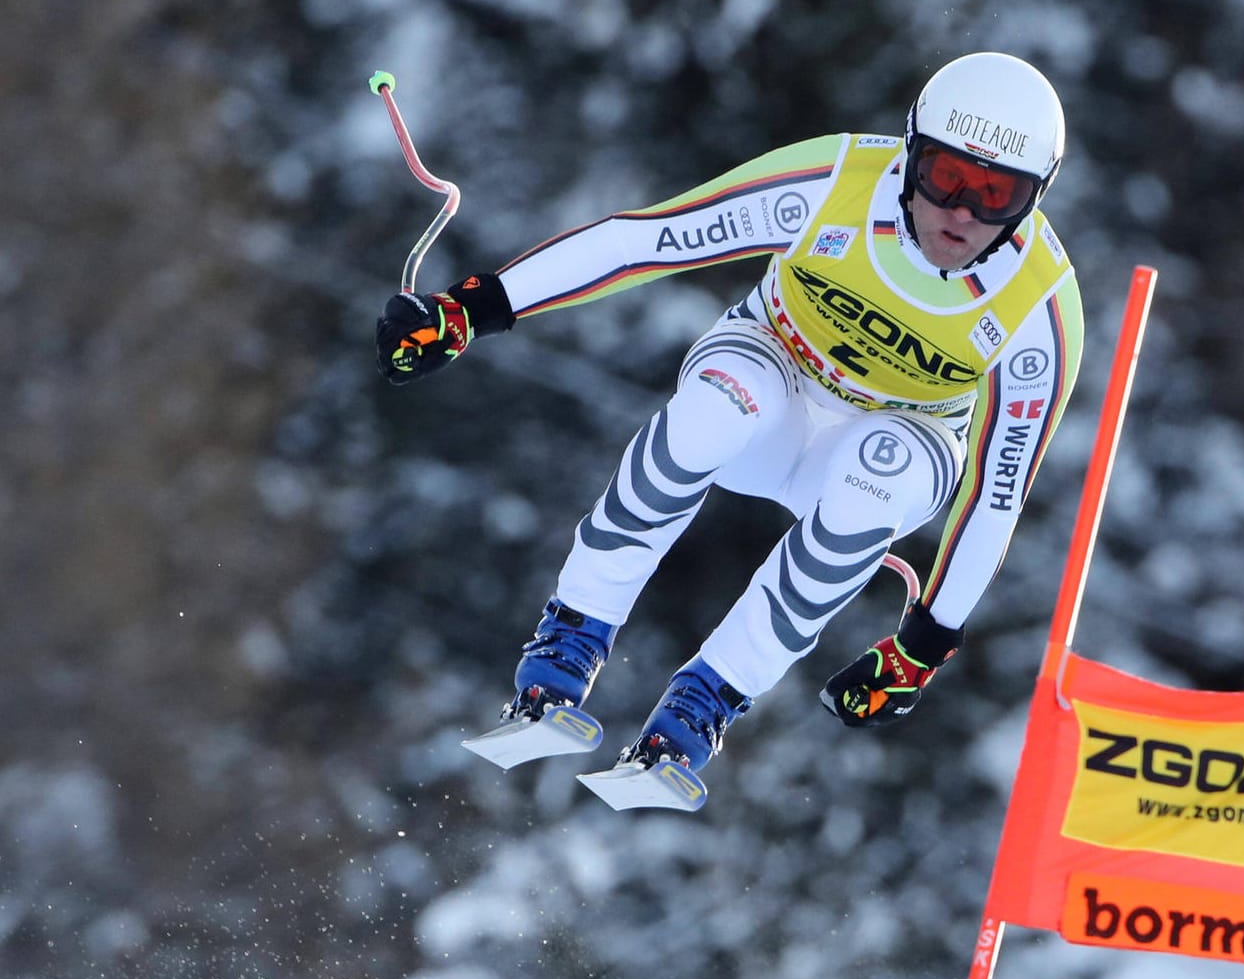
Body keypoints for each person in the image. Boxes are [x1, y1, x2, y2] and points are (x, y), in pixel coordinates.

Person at [375, 51, 1084, 782]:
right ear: (910, 152)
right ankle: (569, 641)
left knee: (875, 482)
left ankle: (702, 705)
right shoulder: (837, 182)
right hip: (773, 367)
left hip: (902, 433)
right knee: (713, 410)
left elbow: (998, 494)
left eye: (996, 194)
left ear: (1034, 199)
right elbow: (645, 240)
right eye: (947, 176)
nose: (962, 212)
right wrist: (472, 308)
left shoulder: (1040, 311)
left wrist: (924, 645)